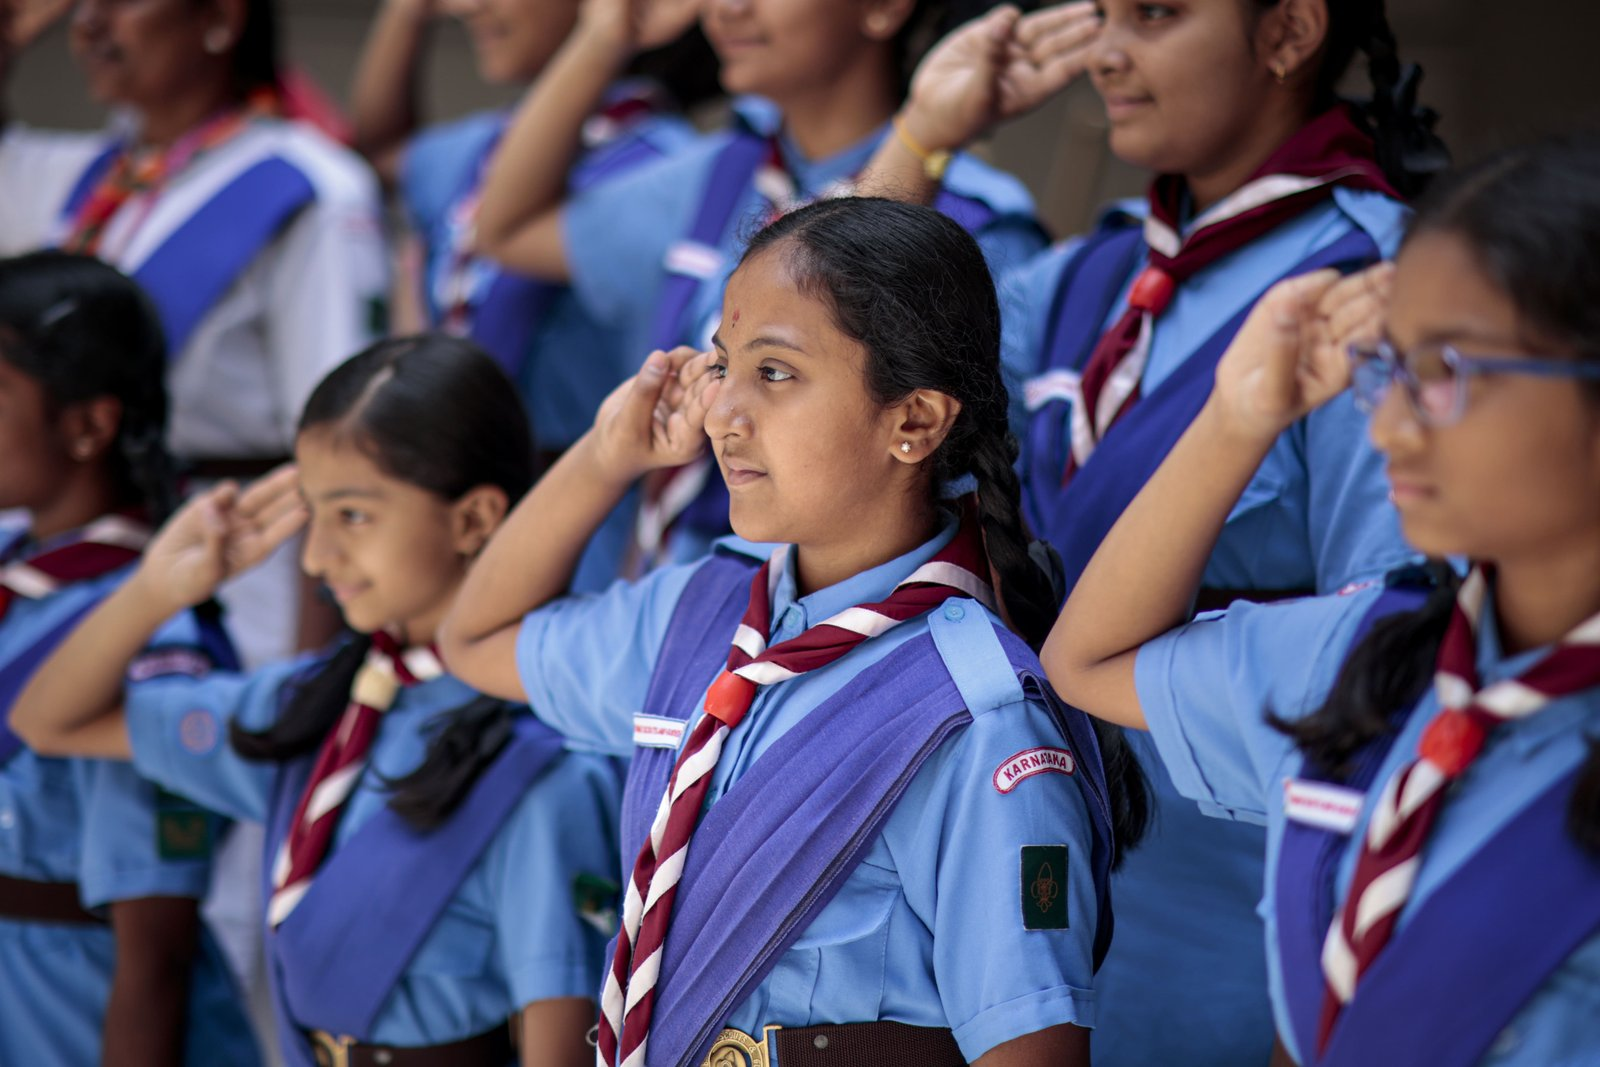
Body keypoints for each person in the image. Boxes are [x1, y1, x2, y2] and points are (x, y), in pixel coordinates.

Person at [857, 2, 1447, 1060]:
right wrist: (925, 132)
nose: (1107, 53)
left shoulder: (1379, 292)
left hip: (1222, 939)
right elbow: (844, 366)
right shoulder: (1090, 277)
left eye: (1158, 14)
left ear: (1288, 31)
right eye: (1104, 14)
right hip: (1003, 904)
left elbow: (1392, 677)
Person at [442, 197, 1147, 1066]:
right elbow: (475, 638)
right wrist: (603, 457)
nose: (721, 414)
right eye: (723, 364)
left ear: (915, 421)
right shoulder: (698, 613)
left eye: (776, 374)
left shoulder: (979, 719)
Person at [1045, 134, 1600, 1067]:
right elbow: (1085, 661)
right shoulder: (1367, 661)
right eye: (1393, 367)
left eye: (1447, 374)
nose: (1385, 425)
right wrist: (1240, 417)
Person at [13, 335, 622, 1067]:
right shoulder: (316, 709)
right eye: (312, 513)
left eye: (354, 516)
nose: (314, 557)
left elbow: (563, 1046)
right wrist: (157, 587)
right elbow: (48, 718)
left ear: (474, 519)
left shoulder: (549, 762)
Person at [472, 0, 1050, 572]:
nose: (727, 9)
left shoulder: (977, 228)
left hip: (825, 624)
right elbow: (505, 230)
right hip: (661, 605)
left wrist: (921, 145)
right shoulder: (723, 172)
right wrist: (602, 37)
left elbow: (981, 480)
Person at [50, 0, 390, 667]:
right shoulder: (99, 175)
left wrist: (302, 680)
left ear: (222, 18)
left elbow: (341, 436)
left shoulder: (303, 184)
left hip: (234, 592)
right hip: (73, 581)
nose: (89, 21)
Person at [0, 250, 257, 1066]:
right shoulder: (17, 569)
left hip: (72, 1015)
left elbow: (157, 955)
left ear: (88, 424)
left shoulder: (150, 635)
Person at [351, 0, 712, 459]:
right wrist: (407, 12)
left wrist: (604, 37)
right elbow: (380, 157)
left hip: (582, 502)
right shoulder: (486, 145)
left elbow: (501, 232)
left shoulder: (671, 170)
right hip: (445, 494)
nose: (470, 7)